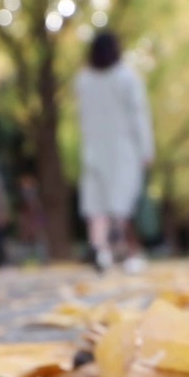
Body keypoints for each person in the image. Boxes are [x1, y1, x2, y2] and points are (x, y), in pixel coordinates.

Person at [75, 32, 154, 272]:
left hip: (93, 148)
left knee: (96, 204)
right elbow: (138, 116)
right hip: (123, 148)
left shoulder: (83, 80)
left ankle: (100, 249)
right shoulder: (127, 78)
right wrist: (146, 149)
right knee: (121, 202)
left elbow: (82, 117)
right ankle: (125, 250)